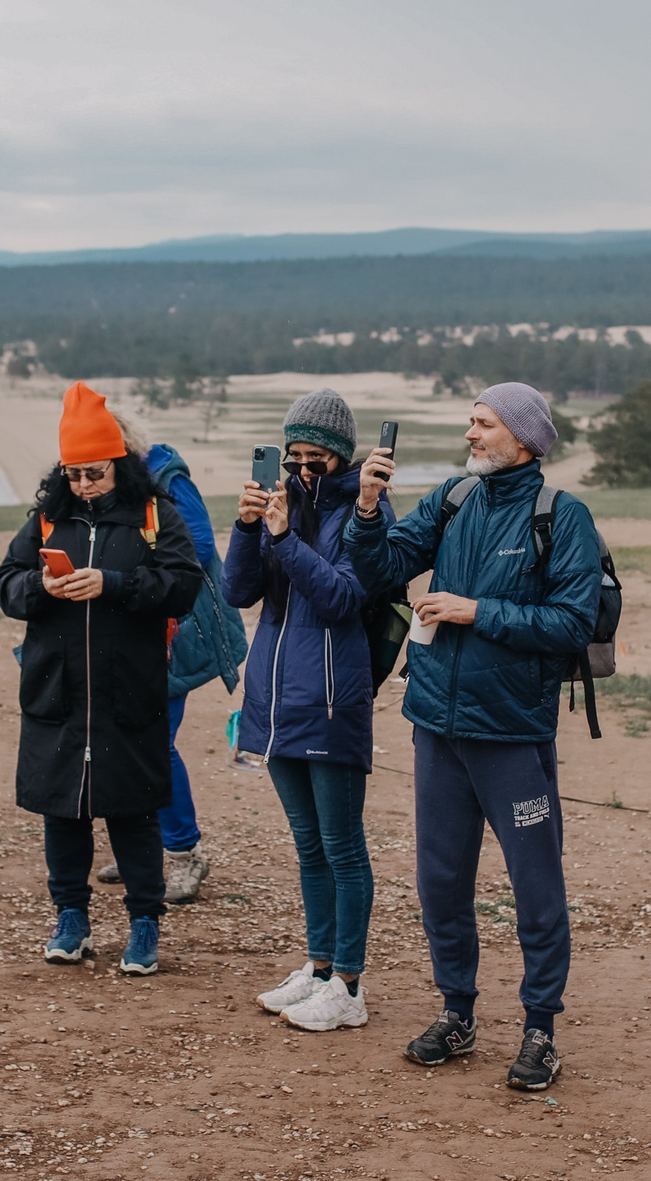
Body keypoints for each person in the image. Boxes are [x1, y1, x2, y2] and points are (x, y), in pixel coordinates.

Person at [346, 381, 600, 1091]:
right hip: (437, 727)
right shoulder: (453, 499)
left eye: (483, 424)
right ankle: (457, 1012)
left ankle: (541, 1028)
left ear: (522, 437)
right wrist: (367, 510)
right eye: (470, 421)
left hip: (512, 734)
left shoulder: (563, 516)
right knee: (442, 880)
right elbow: (380, 570)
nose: (471, 434)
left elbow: (571, 622)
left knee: (536, 885)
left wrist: (474, 609)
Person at [0, 382, 204, 978]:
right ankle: (71, 918)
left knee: (133, 810)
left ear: (120, 465)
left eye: (94, 474)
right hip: (56, 692)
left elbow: (182, 584)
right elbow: (6, 584)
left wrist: (112, 585)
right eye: (74, 475)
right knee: (62, 811)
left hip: (127, 690)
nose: (83, 485)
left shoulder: (153, 514)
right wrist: (42, 587)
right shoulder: (45, 519)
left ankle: (144, 923)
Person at [227, 389, 383, 1033]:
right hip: (272, 699)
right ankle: (319, 970)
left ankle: (349, 984)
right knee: (308, 844)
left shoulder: (364, 511)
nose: (302, 469)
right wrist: (245, 527)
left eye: (316, 458)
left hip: (330, 699)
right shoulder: (278, 503)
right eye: (293, 457)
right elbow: (239, 591)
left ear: (341, 458)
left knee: (343, 847)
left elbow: (343, 597)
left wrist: (286, 536)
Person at [97, 432, 243, 905]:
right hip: (126, 628)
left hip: (170, 630)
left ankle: (184, 853)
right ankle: (141, 844)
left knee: (155, 742)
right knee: (122, 737)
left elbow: (198, 547)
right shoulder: (106, 482)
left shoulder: (168, 478)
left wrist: (128, 575)